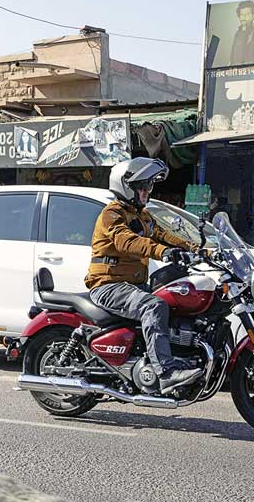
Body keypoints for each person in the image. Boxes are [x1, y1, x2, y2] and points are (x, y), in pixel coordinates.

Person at [85, 157, 202, 393]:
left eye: (149, 186)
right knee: (154, 306)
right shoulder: (112, 214)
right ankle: (165, 372)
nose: (147, 191)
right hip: (108, 285)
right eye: (143, 186)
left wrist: (197, 249)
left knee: (174, 297)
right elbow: (127, 241)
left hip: (133, 285)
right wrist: (163, 252)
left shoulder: (142, 215)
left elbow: (164, 235)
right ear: (127, 187)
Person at [230, 0, 254, 65]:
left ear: (253, 16)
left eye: (247, 14)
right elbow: (233, 51)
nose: (243, 17)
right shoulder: (238, 32)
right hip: (235, 68)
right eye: (241, 14)